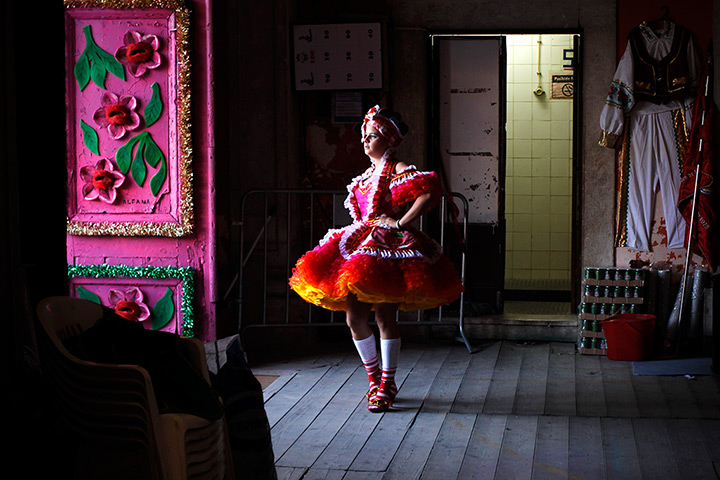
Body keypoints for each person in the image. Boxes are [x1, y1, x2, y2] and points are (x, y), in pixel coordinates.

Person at [289, 105, 464, 413]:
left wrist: (400, 222)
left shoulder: (397, 168)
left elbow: (428, 192)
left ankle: (387, 382)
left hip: (389, 249)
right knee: (353, 317)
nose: (365, 142)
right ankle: (374, 379)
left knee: (384, 317)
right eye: (364, 137)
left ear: (388, 140)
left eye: (371, 137)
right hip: (362, 246)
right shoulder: (363, 178)